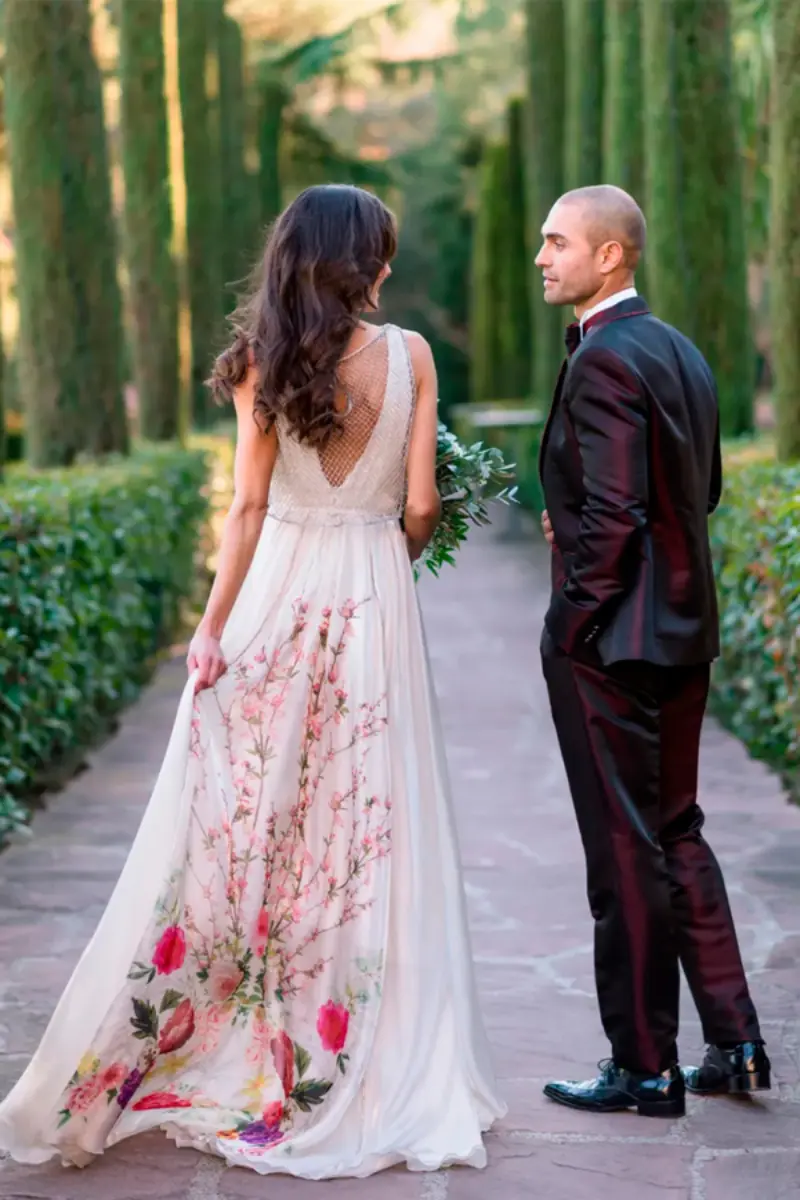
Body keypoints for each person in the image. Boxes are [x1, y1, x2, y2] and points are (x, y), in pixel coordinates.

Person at [0, 185, 505, 1176]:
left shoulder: (258, 364)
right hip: (370, 598)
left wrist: (209, 628)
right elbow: (416, 506)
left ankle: (229, 1017)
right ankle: (366, 1038)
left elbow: (243, 510)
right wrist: (396, 534)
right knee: (363, 814)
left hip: (279, 586)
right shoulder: (409, 356)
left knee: (255, 813)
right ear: (364, 264)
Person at [535, 184, 769, 1118]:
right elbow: (696, 493)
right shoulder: (680, 350)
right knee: (677, 829)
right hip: (681, 633)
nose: (544, 258)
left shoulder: (602, 361)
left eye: (559, 243)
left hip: (614, 645)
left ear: (612, 257)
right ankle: (737, 1044)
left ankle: (644, 1066)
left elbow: (620, 517)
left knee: (623, 850)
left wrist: (571, 624)